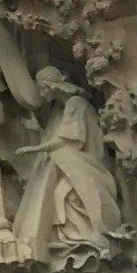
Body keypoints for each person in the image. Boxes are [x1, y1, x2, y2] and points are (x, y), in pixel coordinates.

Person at [11, 80, 123, 261]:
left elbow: (69, 139)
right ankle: (75, 238)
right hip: (79, 162)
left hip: (82, 162)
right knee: (62, 195)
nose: (42, 94)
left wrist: (35, 149)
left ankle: (88, 237)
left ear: (51, 86)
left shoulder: (75, 103)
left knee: (70, 195)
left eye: (42, 88)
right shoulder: (67, 107)